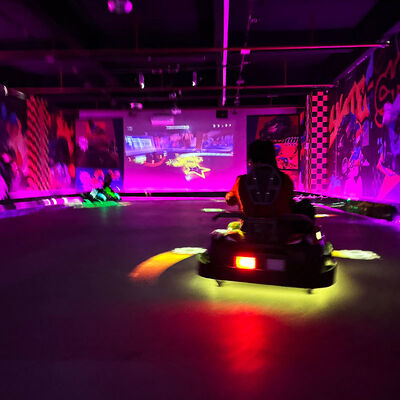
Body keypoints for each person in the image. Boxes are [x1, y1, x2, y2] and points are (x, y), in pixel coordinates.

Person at [226, 139, 295, 218]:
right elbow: (290, 205)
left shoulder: (242, 181)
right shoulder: (285, 180)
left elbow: (231, 201)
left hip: (251, 225)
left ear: (251, 159)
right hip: (281, 225)